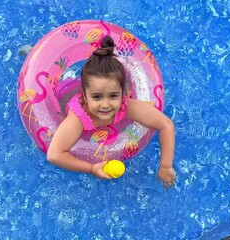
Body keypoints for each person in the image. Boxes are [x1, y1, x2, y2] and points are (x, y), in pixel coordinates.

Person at [47, 36, 176, 188]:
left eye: (113, 96)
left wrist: (165, 166)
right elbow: (54, 155)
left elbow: (166, 125)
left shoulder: (126, 105)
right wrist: (91, 168)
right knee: (61, 75)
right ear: (85, 96)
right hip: (65, 92)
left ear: (124, 92)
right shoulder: (77, 118)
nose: (105, 104)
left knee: (101, 86)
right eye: (96, 97)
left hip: (95, 85)